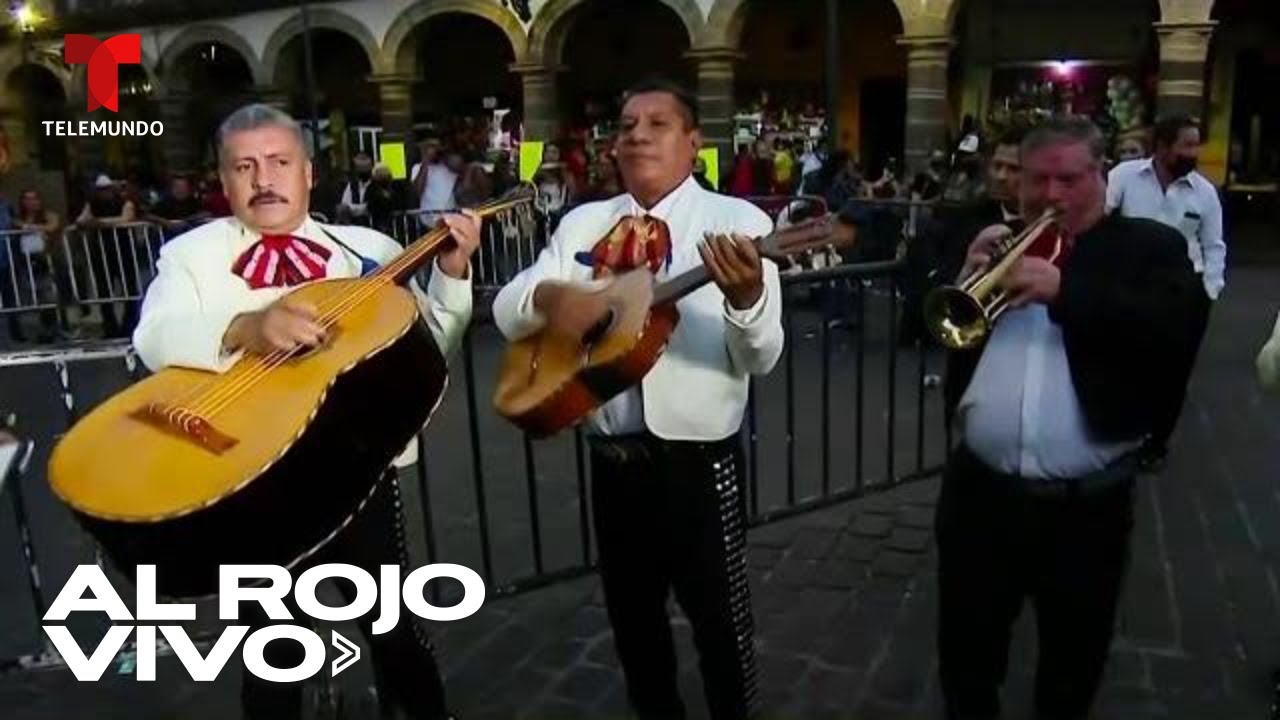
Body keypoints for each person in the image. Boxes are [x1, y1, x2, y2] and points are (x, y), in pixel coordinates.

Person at [131, 104, 481, 720]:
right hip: (252, 486)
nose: (263, 179)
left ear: (308, 173)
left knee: (394, 630)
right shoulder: (190, 255)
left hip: (359, 477)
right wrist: (246, 326)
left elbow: (428, 349)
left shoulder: (369, 250)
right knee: (272, 652)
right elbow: (154, 335)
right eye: (245, 166)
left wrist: (451, 275)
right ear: (224, 179)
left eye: (279, 162)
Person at [493, 77, 784, 720]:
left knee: (721, 622)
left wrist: (746, 301)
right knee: (634, 624)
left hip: (699, 465)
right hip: (612, 463)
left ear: (694, 141)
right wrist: (552, 297)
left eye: (658, 124)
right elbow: (508, 308)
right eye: (627, 126)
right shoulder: (583, 222)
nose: (637, 136)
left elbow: (761, 357)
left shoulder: (737, 223)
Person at [935, 117, 1204, 720]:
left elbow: (1173, 329)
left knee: (1072, 665)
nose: (1051, 195)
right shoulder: (990, 237)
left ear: (1100, 174)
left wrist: (1066, 291)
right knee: (966, 655)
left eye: (1069, 179)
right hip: (980, 495)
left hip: (1087, 509)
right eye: (1037, 179)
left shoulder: (1148, 247)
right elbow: (923, 320)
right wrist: (963, 273)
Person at [1106, 114, 1222, 460]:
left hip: (1184, 292)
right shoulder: (1124, 176)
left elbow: (1214, 245)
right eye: (1187, 145)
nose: (1194, 153)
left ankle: (1156, 444)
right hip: (1131, 286)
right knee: (1125, 364)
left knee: (1173, 372)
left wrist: (1210, 290)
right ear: (1161, 147)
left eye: (1196, 145)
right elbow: (1102, 217)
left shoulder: (1204, 192)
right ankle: (1120, 433)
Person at [76, 174, 139, 337]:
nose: (104, 193)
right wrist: (92, 222)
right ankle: (110, 327)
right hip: (101, 251)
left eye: (107, 189)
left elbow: (126, 219)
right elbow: (81, 220)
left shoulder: (124, 202)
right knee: (104, 291)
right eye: (101, 190)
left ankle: (129, 325)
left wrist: (99, 223)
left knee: (130, 290)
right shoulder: (92, 203)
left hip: (123, 250)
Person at [336, 151, 374, 225]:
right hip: (354, 224)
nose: (362, 172)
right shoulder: (352, 185)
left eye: (364, 169)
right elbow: (344, 204)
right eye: (359, 169)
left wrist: (351, 208)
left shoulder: (375, 185)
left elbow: (370, 207)